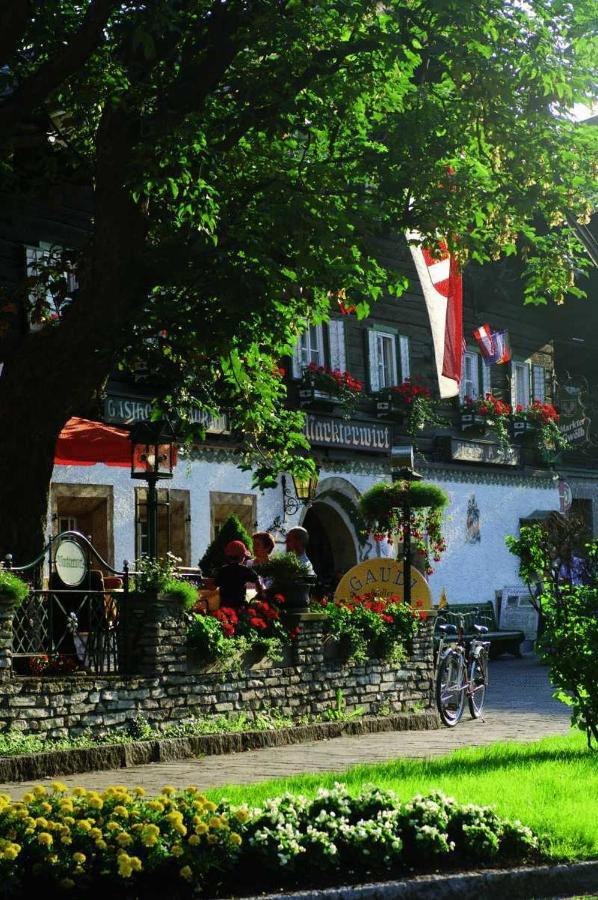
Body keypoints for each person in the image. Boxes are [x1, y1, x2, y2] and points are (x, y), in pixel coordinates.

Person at [215, 541, 261, 609]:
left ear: (228, 556)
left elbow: (215, 584)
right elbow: (257, 580)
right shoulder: (245, 570)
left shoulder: (222, 570)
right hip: (239, 606)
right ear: (242, 557)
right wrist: (260, 592)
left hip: (224, 606)